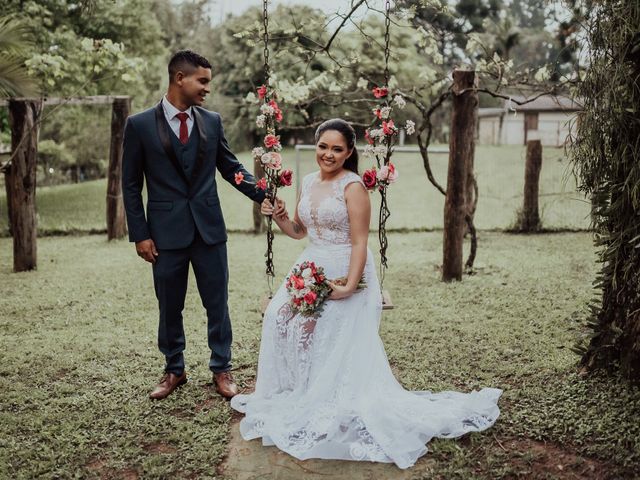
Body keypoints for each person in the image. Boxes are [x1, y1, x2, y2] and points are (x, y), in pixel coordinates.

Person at [230, 118, 502, 469]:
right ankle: (296, 393)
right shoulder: (310, 181)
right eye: (323, 146)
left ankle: (326, 398)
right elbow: (298, 232)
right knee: (278, 317)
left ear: (349, 152)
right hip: (310, 264)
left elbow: (360, 242)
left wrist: (346, 286)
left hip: (347, 266)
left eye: (337, 149)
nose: (328, 154)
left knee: (323, 325)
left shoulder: (353, 186)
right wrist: (278, 214)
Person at [122, 50, 265, 400]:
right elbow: (129, 184)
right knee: (169, 305)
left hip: (209, 230)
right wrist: (140, 235)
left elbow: (231, 168)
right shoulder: (139, 125)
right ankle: (174, 369)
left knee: (217, 302)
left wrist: (264, 193)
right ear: (179, 78)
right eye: (202, 81)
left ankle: (222, 367)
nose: (207, 89)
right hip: (165, 234)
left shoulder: (212, 121)